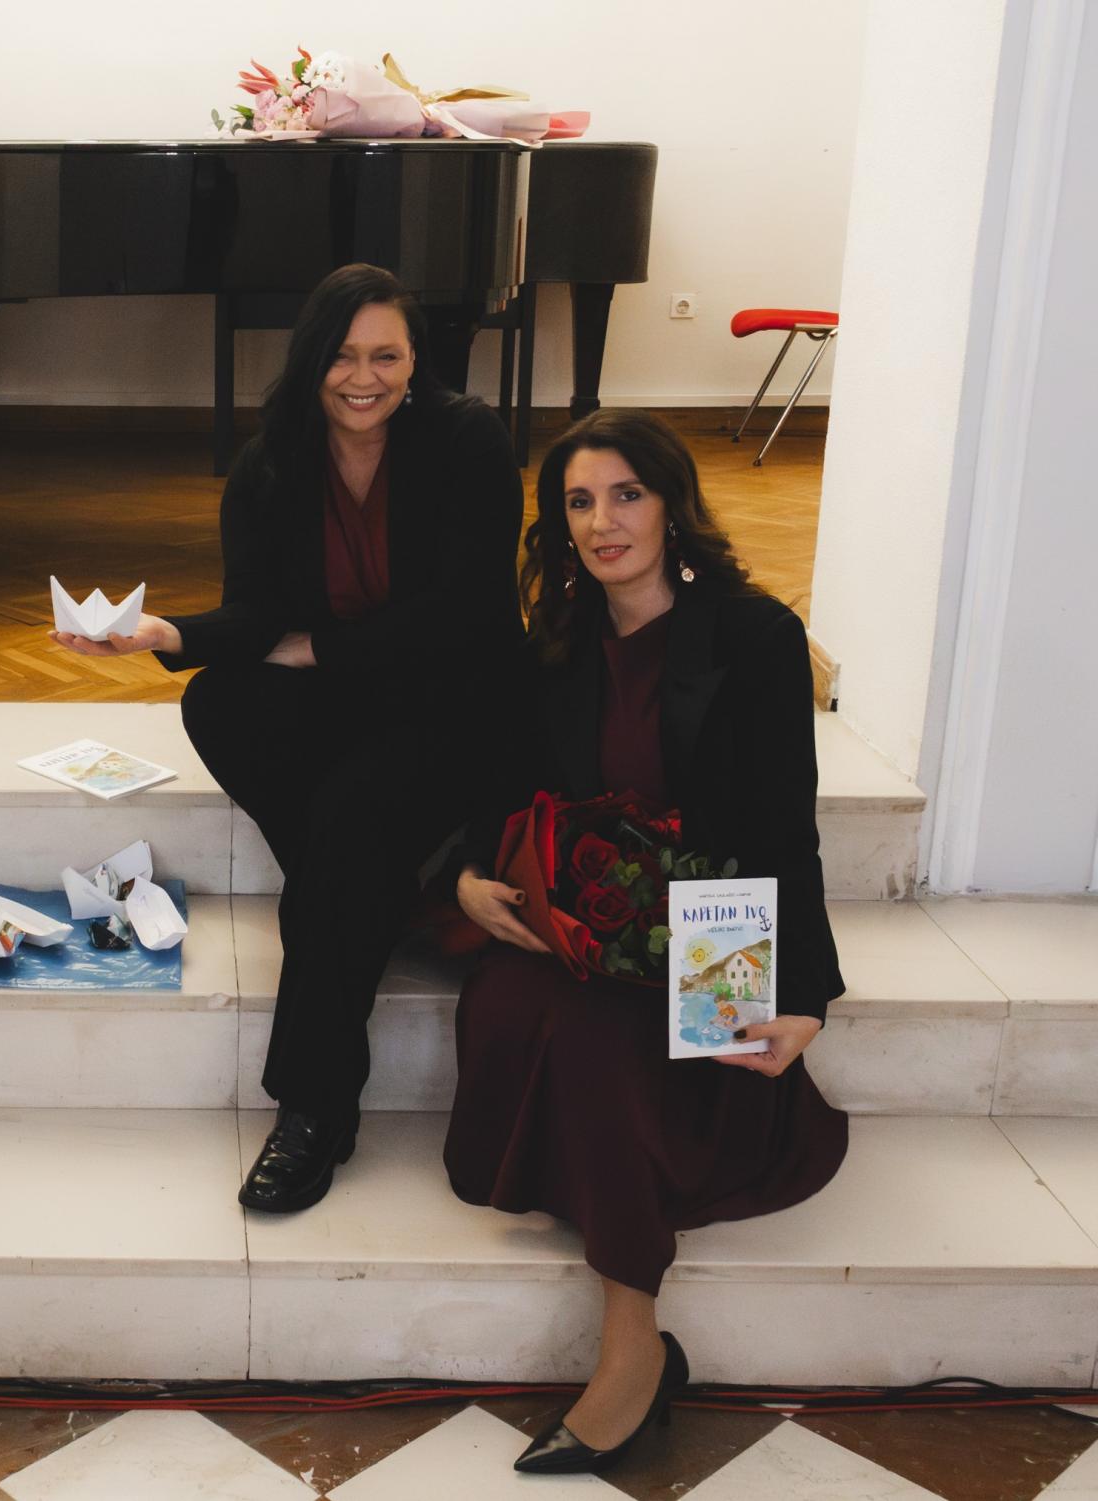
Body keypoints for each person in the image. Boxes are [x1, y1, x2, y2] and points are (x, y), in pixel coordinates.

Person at [52, 263, 528, 1212]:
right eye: (344, 356)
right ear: (312, 359)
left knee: (347, 831)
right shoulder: (272, 465)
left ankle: (314, 1108)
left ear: (415, 361)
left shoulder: (467, 441)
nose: (365, 377)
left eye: (387, 356)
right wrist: (168, 634)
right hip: (353, 699)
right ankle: (382, 886)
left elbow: (466, 618)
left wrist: (318, 649)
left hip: (452, 703)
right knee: (218, 704)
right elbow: (258, 615)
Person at [445, 408, 847, 1474]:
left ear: (672, 505)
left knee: (598, 1046)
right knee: (514, 1007)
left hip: (712, 938)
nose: (602, 522)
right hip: (590, 930)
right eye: (578, 501)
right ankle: (633, 1326)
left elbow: (785, 828)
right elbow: (498, 791)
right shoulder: (555, 643)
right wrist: (470, 877)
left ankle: (632, 1348)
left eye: (626, 494)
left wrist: (804, 994)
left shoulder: (753, 639)